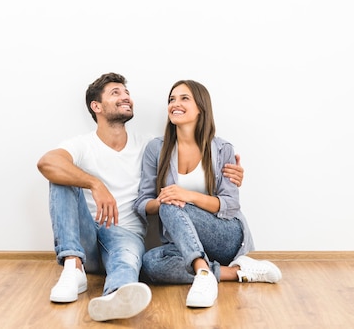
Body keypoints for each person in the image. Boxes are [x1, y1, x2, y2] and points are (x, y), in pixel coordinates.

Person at [36, 73, 245, 322]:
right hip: (83, 240)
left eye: (127, 93)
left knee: (130, 259)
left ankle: (118, 294)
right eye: (116, 93)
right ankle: (73, 268)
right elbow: (47, 162)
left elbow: (225, 198)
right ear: (96, 106)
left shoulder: (151, 146)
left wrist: (231, 174)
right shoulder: (85, 145)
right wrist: (94, 183)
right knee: (60, 177)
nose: (126, 97)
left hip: (126, 234)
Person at [133, 79, 282, 309]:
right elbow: (143, 203)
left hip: (225, 235)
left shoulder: (223, 149)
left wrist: (186, 196)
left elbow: (230, 205)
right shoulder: (157, 149)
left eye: (184, 98)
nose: (175, 104)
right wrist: (163, 201)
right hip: (185, 242)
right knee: (150, 263)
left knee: (174, 203)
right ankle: (234, 272)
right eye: (171, 99)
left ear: (201, 107)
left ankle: (203, 275)